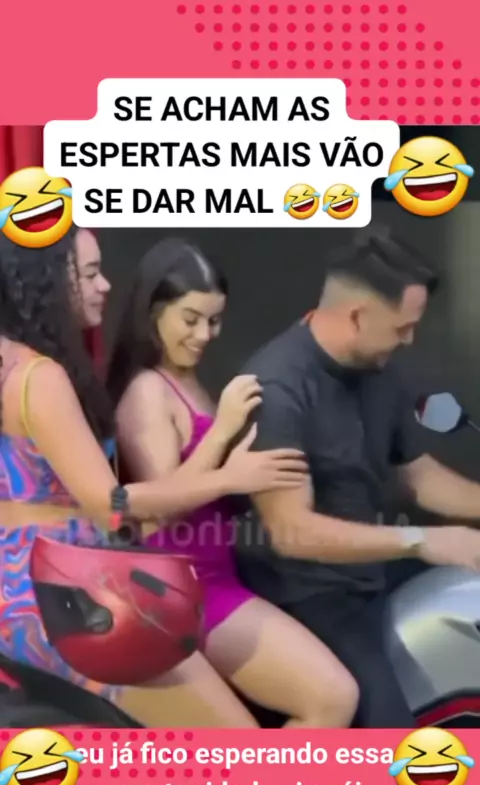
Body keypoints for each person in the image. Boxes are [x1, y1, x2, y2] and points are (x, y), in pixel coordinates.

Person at [0, 226, 311, 728]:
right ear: (48, 281)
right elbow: (111, 505)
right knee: (242, 747)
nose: (105, 285)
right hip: (73, 598)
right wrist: (228, 478)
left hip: (20, 596)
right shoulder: (38, 378)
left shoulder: (9, 366)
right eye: (91, 274)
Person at [107, 236, 359, 728]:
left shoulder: (186, 380)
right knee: (332, 699)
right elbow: (164, 506)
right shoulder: (145, 390)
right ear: (152, 312)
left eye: (214, 320)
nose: (204, 334)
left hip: (220, 579)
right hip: (189, 588)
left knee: (330, 699)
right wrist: (225, 444)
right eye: (190, 319)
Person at [237, 227, 480, 728]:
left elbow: (417, 478)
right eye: (401, 328)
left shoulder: (378, 369)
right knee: (397, 750)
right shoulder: (279, 387)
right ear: (358, 316)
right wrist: (422, 540)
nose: (409, 339)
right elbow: (292, 532)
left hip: (373, 573)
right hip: (309, 597)